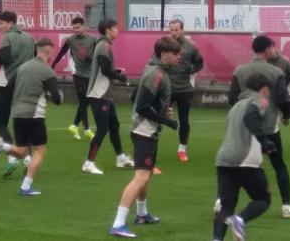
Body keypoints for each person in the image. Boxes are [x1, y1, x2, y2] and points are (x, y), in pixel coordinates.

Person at [108, 37, 181, 238]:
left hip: (145, 131)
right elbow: (141, 107)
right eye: (175, 54)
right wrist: (167, 121)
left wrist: (161, 110)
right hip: (144, 132)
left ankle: (141, 214)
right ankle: (118, 223)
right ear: (163, 54)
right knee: (141, 177)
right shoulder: (156, 74)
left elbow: (135, 97)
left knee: (145, 175)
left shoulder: (153, 70)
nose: (179, 57)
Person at [227, 35, 290, 218]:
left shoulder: (239, 70)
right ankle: (286, 206)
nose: (273, 50)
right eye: (272, 47)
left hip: (245, 127)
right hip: (269, 127)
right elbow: (283, 98)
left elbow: (232, 98)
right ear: (267, 50)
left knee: (235, 165)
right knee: (279, 165)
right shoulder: (276, 71)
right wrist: (287, 115)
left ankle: (220, 202)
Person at [0, 37, 62, 196]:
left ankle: (3, 146)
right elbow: (57, 99)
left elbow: (8, 88)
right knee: (39, 151)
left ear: (36, 50)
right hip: (35, 114)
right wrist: (57, 95)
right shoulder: (47, 70)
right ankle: (26, 187)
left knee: (22, 151)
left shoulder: (22, 68)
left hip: (18, 113)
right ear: (49, 51)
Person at [211, 74, 276, 241]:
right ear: (264, 89)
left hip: (223, 160)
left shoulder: (236, 105)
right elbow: (250, 117)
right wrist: (265, 142)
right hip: (245, 159)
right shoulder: (259, 100)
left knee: (226, 206)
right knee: (263, 198)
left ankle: (217, 239)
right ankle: (240, 220)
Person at [83, 18, 135, 175]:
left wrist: (116, 73)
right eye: (115, 28)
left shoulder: (103, 45)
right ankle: (88, 163)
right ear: (108, 30)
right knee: (102, 129)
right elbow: (105, 70)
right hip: (99, 94)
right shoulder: (104, 46)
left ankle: (120, 158)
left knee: (114, 125)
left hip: (104, 94)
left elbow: (104, 69)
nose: (117, 30)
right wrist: (120, 77)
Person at [0, 10, 37, 177]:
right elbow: (35, 58)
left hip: (7, 84)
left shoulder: (7, 37)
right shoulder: (30, 38)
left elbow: (5, 58)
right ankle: (28, 158)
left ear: (10, 23)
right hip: (26, 84)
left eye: (1, 23)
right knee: (23, 123)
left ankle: (12, 158)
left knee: (1, 123)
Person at [51, 16, 97, 141]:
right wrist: (53, 65)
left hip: (91, 74)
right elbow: (61, 52)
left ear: (84, 26)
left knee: (86, 101)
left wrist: (91, 59)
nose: (76, 30)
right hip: (78, 73)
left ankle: (75, 125)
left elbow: (98, 55)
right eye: (74, 28)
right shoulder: (70, 40)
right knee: (83, 101)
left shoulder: (93, 39)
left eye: (78, 27)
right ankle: (86, 129)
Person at [164, 19, 204, 162]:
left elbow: (200, 62)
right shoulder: (164, 45)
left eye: (176, 30)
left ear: (182, 30)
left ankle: (182, 150)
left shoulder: (191, 46)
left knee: (184, 120)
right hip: (167, 88)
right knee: (157, 117)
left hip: (184, 89)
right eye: (171, 30)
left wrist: (191, 70)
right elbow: (155, 61)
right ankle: (150, 147)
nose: (174, 32)